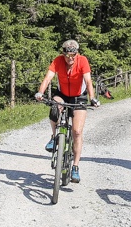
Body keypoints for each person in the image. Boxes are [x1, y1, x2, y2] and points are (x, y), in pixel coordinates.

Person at [34, 39, 100, 183]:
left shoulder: (82, 61)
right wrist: (40, 92)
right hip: (62, 94)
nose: (70, 59)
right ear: (63, 54)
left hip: (79, 96)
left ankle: (75, 166)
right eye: (67, 56)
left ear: (77, 53)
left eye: (73, 55)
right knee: (54, 108)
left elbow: (88, 81)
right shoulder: (58, 61)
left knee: (77, 132)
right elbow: (48, 78)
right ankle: (54, 137)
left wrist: (93, 98)